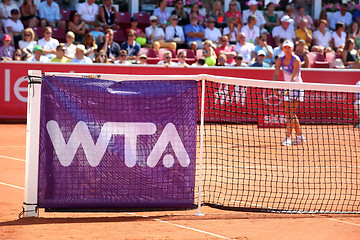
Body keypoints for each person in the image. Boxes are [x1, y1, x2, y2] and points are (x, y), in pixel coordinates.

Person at [273, 39, 306, 146]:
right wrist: (275, 86)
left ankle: (288, 138)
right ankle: (299, 136)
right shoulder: (279, 60)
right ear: (283, 48)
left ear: (292, 48)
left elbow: (294, 76)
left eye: (289, 48)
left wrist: (288, 89)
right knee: (289, 113)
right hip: (287, 88)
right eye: (285, 48)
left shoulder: (296, 60)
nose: (287, 50)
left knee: (290, 113)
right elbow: (276, 74)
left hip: (296, 87)